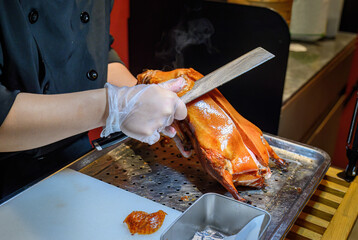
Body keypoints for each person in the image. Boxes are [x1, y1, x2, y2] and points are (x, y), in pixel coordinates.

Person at [0, 1, 187, 201]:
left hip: (73, 159)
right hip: (9, 178)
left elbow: (94, 52)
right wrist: (114, 107)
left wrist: (141, 96)